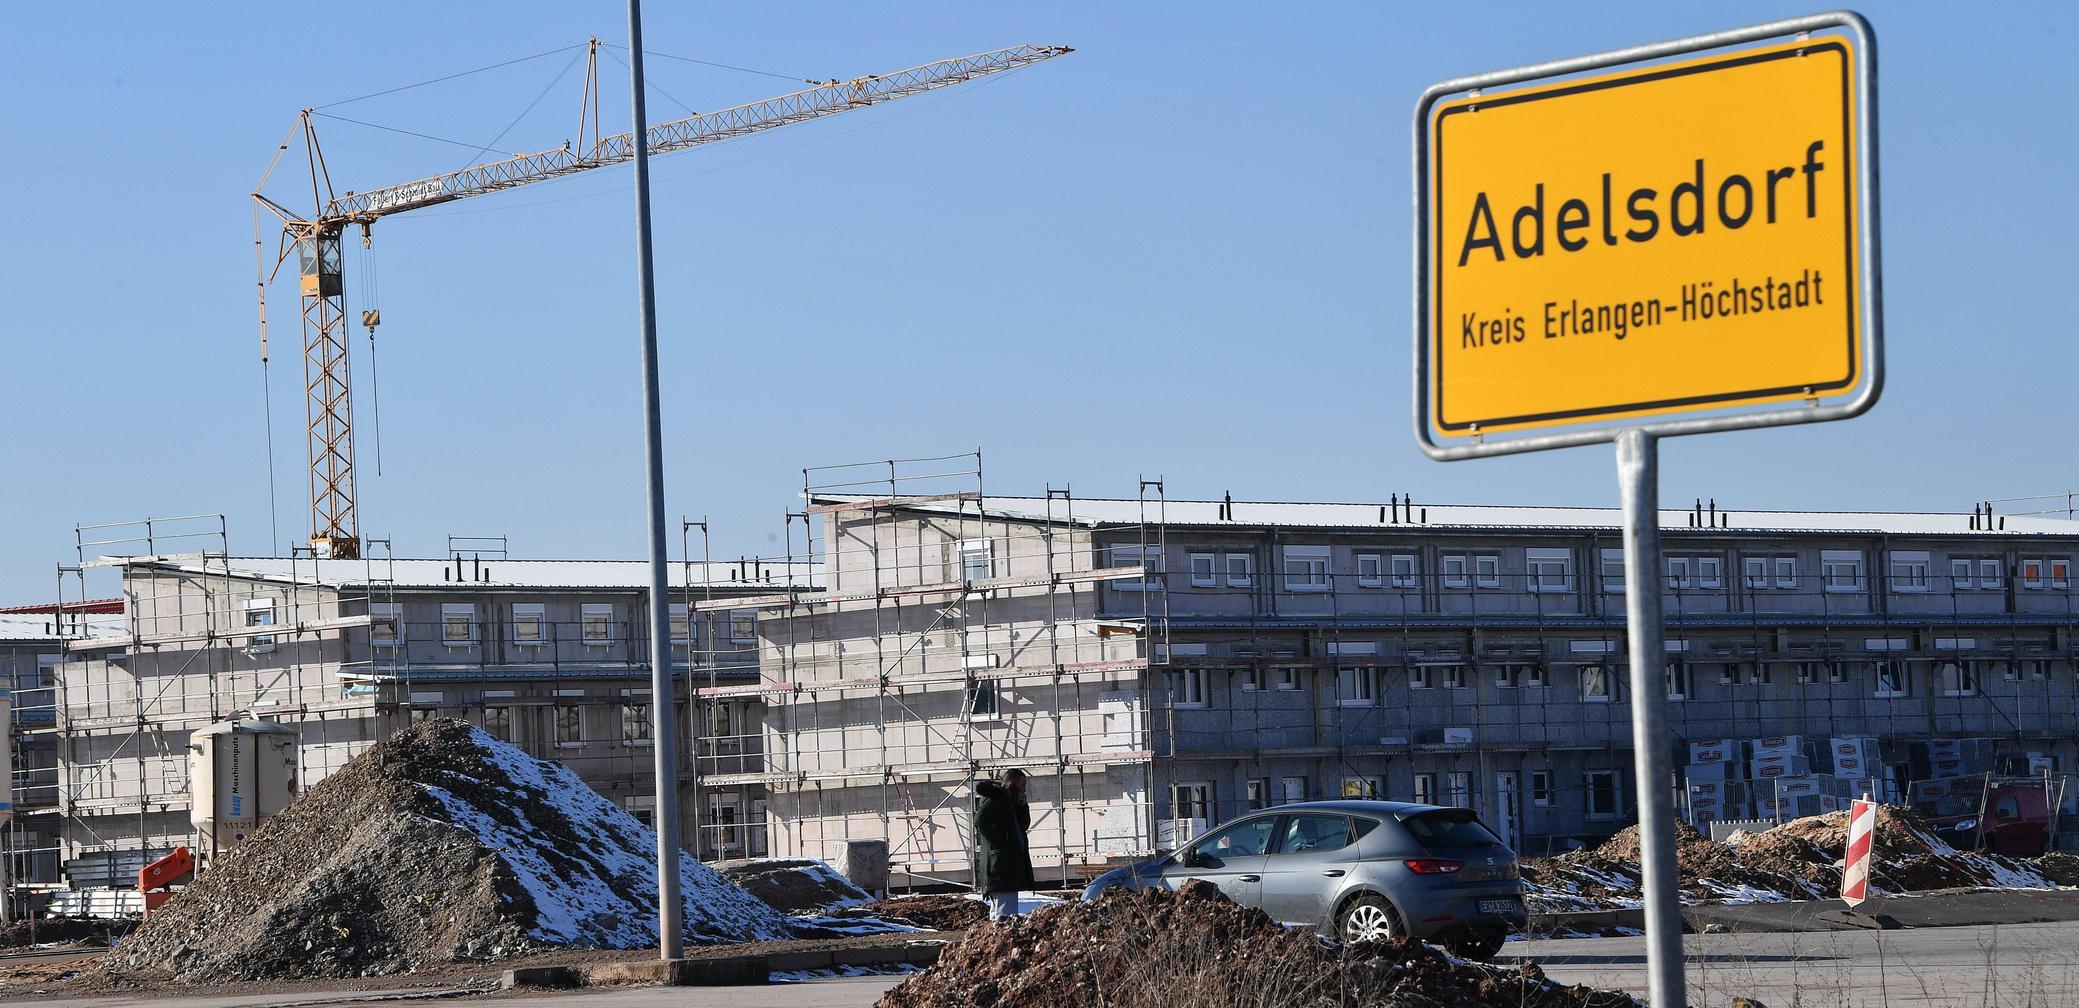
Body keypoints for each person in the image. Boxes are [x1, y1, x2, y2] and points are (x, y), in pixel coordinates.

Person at [973, 768, 1034, 920]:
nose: (1023, 789)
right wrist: (1001, 844)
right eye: (1021, 786)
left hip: (1008, 865)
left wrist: (1022, 806)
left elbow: (1023, 825)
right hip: (1001, 866)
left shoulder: (1009, 803)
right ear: (1011, 785)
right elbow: (980, 821)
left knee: (1003, 911)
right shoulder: (995, 800)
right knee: (1004, 914)